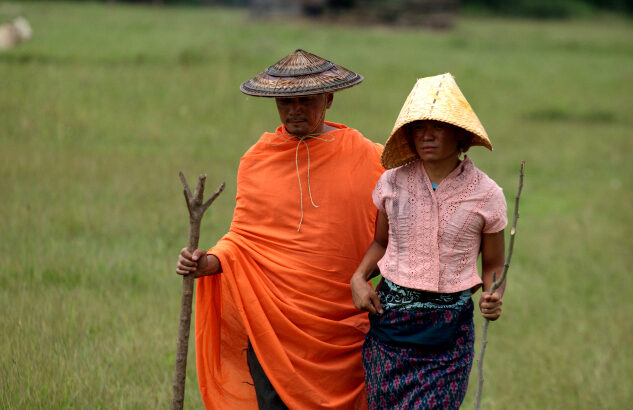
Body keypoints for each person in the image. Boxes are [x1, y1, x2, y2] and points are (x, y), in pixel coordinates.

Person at [176, 49, 384, 409]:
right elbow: (243, 240)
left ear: (329, 98)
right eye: (285, 101)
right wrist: (206, 263)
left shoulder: (367, 158)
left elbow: (388, 237)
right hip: (270, 324)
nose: (294, 110)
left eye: (305, 100)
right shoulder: (257, 161)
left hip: (342, 330)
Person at [350, 73, 507, 409]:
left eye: (438, 126)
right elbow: (381, 244)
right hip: (390, 328)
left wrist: (494, 296)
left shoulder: (487, 194)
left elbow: (493, 263)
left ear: (460, 135)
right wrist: (359, 278)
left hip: (449, 337)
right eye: (419, 127)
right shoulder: (392, 183)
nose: (427, 135)